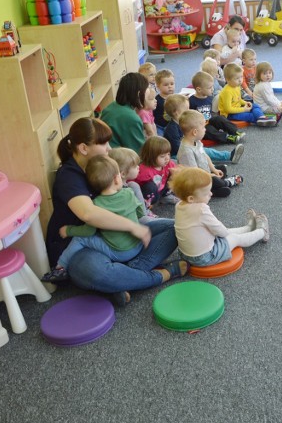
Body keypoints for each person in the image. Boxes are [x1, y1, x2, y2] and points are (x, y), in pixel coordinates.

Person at [45, 117, 186, 306]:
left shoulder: (101, 164)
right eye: (103, 144)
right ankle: (161, 275)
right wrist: (133, 227)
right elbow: (89, 215)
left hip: (116, 235)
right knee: (96, 272)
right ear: (83, 148)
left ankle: (125, 277)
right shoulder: (69, 176)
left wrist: (137, 219)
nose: (109, 148)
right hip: (84, 244)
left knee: (175, 227)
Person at [42, 155, 145, 283]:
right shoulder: (129, 192)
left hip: (120, 253)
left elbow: (88, 232)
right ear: (117, 179)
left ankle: (60, 266)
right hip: (138, 244)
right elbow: (141, 212)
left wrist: (68, 230)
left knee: (80, 239)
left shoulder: (96, 205)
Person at [171, 167, 268, 268]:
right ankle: (262, 232)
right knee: (234, 238)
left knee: (224, 232)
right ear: (191, 198)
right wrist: (225, 234)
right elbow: (221, 231)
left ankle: (249, 228)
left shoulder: (179, 205)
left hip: (185, 254)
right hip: (204, 257)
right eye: (206, 193)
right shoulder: (201, 209)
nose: (211, 193)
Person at [176, 109, 243, 198]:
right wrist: (210, 175)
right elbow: (195, 173)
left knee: (221, 168)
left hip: (204, 172)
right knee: (216, 180)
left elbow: (205, 155)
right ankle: (227, 183)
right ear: (195, 132)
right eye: (203, 127)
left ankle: (214, 188)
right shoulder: (187, 151)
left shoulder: (196, 141)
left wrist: (213, 169)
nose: (205, 130)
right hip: (196, 181)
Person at [189, 71, 245, 146]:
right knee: (209, 130)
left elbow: (211, 112)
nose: (212, 89)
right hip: (201, 125)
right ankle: (227, 137)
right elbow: (188, 117)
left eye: (212, 86)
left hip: (209, 120)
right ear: (199, 89)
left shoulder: (209, 97)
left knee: (220, 118)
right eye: (209, 88)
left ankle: (234, 131)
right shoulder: (191, 101)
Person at [100, 72, 149, 152]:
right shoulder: (131, 118)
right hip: (120, 159)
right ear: (139, 93)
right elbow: (139, 152)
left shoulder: (112, 106)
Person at [108, 147, 158, 220]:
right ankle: (146, 213)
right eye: (135, 166)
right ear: (123, 174)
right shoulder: (128, 189)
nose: (138, 167)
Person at [135, 136, 180, 205]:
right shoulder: (144, 171)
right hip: (150, 195)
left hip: (161, 190)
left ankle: (164, 197)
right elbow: (133, 186)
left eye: (168, 154)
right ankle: (146, 205)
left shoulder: (168, 164)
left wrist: (175, 175)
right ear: (151, 156)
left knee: (173, 174)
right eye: (162, 156)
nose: (167, 158)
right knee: (150, 186)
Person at [161, 93, 190, 158]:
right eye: (186, 109)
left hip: (186, 148)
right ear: (176, 113)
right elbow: (178, 148)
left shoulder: (183, 122)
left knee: (206, 151)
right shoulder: (171, 129)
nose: (189, 111)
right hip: (175, 154)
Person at [153, 69, 176, 136]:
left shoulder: (176, 98)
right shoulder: (156, 100)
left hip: (173, 125)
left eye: (172, 84)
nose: (170, 86)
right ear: (158, 86)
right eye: (166, 85)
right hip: (160, 127)